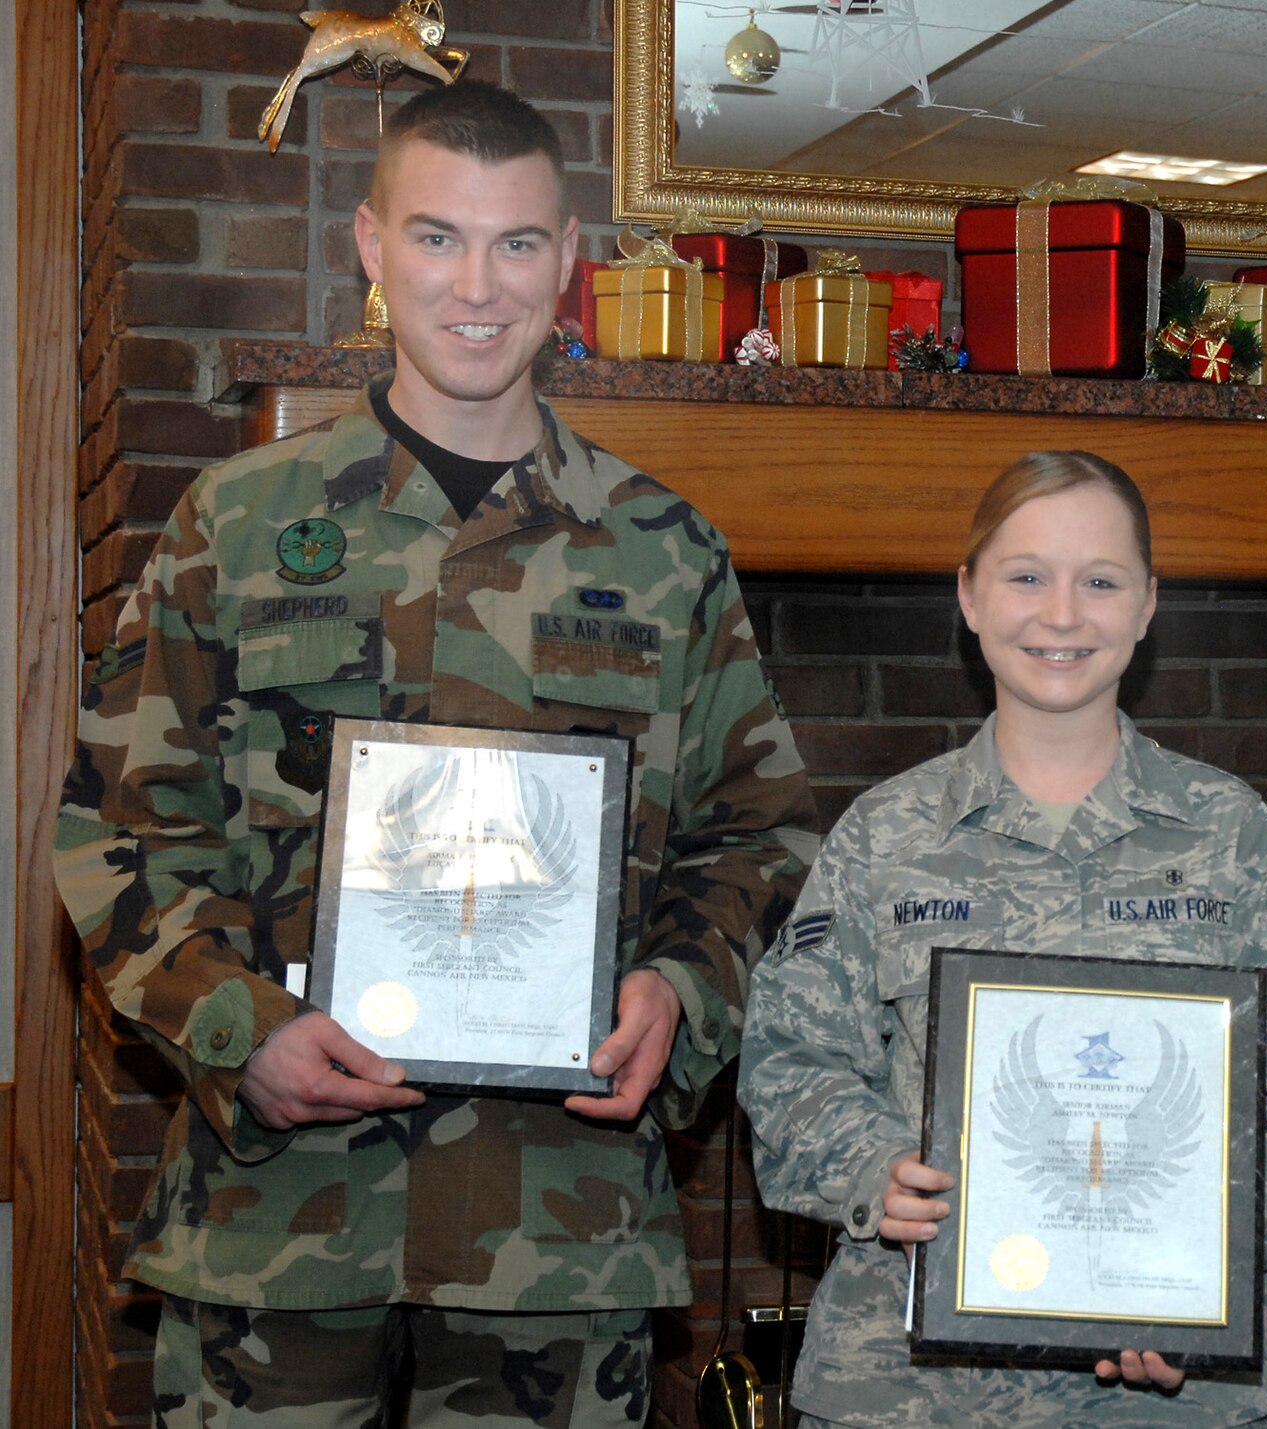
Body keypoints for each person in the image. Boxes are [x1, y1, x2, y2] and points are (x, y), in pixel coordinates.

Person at [53, 80, 816, 1425]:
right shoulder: (234, 526)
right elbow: (120, 827)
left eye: (517, 243)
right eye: (438, 237)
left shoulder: (662, 550)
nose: (479, 283)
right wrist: (242, 1029)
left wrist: (683, 996)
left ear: (568, 262)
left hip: (557, 1242)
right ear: (370, 245)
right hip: (275, 1230)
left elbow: (753, 834)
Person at [739, 451, 1267, 1426]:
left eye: (1098, 580)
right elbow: (784, 1055)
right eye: (1024, 575)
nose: (1060, 613)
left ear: (1146, 605)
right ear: (968, 596)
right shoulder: (883, 837)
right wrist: (870, 1166)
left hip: (1171, 1391)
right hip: (908, 1392)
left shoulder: (1227, 832)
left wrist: (1204, 1272)